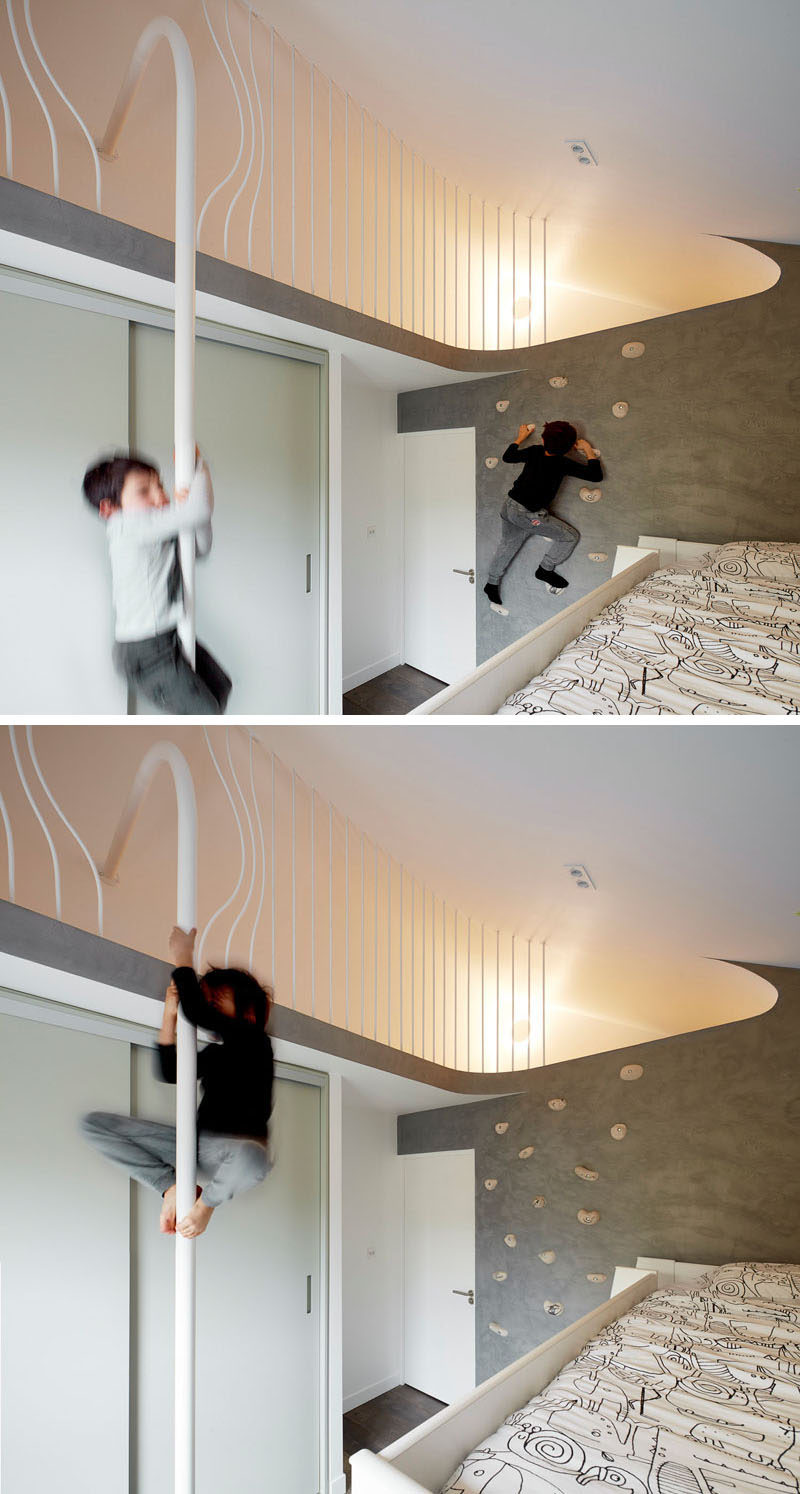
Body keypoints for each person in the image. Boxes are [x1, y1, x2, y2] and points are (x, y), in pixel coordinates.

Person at [81, 926, 273, 1239]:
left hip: (235, 1151)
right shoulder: (216, 1052)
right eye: (207, 1000)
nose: (207, 1006)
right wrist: (169, 1015)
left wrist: (184, 954)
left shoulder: (256, 1043)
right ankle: (171, 1188)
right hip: (195, 1144)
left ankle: (206, 1204)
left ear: (249, 1013)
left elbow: (197, 1012)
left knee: (255, 1157)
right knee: (94, 1124)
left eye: (216, 1001)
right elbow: (170, 1071)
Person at [82, 449, 232, 714]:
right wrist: (198, 467)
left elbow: (201, 547)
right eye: (144, 491)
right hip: (145, 650)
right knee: (205, 712)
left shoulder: (153, 528)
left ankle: (200, 742)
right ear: (110, 508)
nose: (160, 495)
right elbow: (200, 508)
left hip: (166, 637)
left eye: (159, 485)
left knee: (220, 686)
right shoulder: (126, 526)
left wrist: (196, 517)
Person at [483, 420, 604, 608]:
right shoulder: (563, 463)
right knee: (570, 537)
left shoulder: (535, 451)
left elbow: (508, 456)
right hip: (527, 515)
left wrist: (521, 437)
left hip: (509, 506)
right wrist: (587, 448)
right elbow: (595, 475)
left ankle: (491, 582)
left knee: (508, 544)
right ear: (571, 446)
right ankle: (545, 569)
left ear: (542, 439)